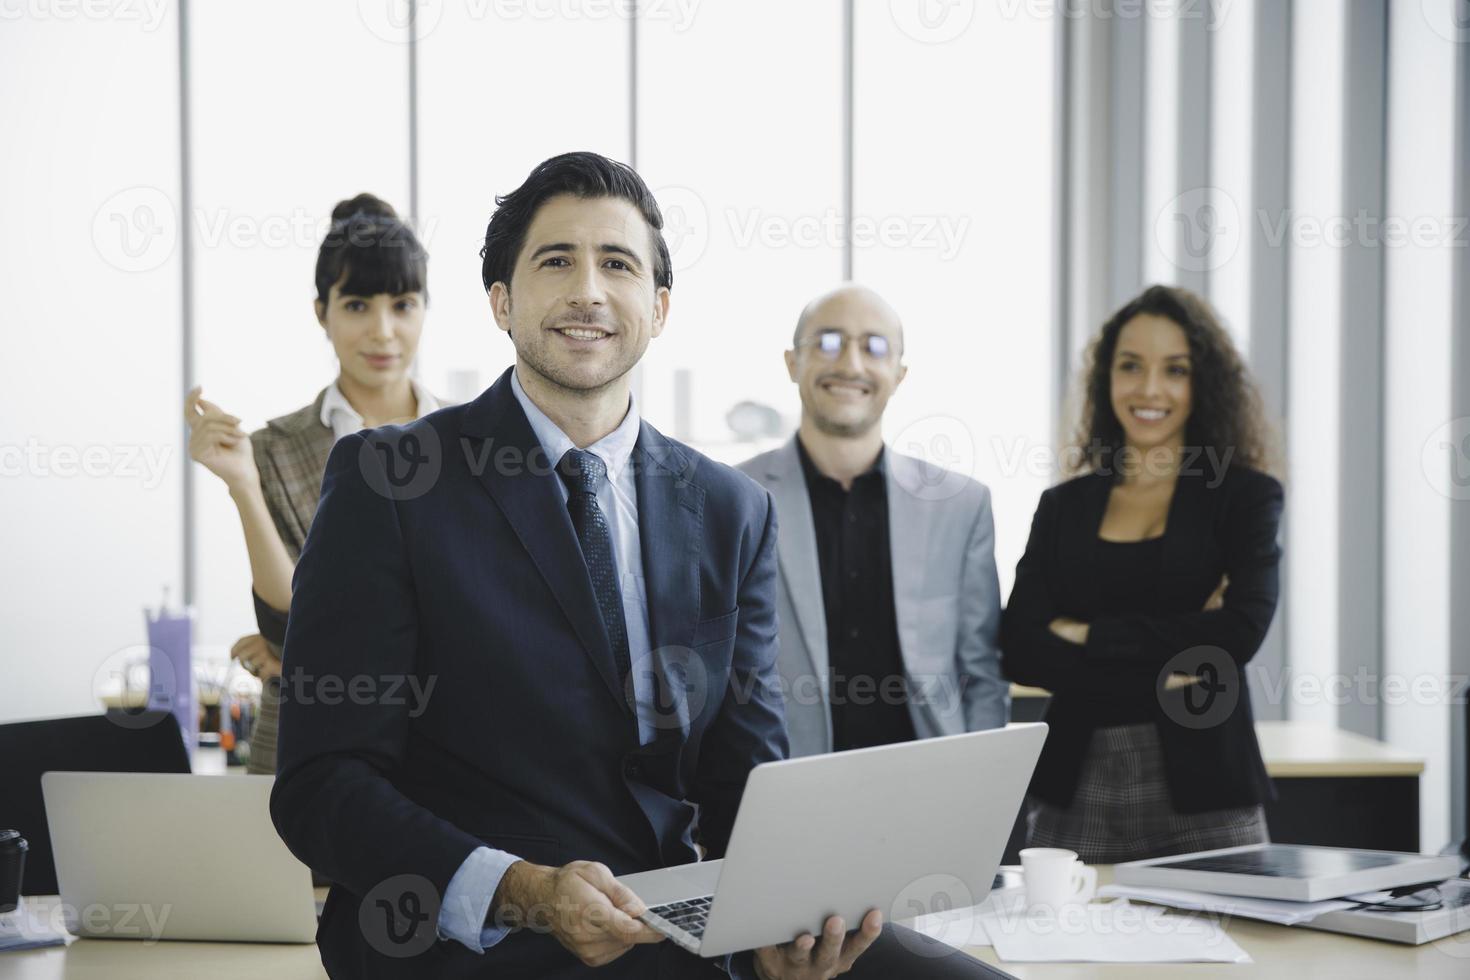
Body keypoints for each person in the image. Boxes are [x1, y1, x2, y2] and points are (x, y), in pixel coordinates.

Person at [269, 153, 1008, 979]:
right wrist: (524, 888)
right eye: (557, 260)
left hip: (676, 918)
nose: (588, 289)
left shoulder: (732, 510)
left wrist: (786, 922)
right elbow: (321, 785)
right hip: (477, 935)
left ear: (657, 309)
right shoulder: (394, 482)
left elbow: (747, 774)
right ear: (501, 303)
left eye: (617, 264)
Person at [1000, 284, 1282, 864]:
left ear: (1202, 383)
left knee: (1229, 950)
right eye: (1131, 366)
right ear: (1107, 377)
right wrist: (1173, 663)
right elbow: (1020, 646)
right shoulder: (1064, 507)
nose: (1150, 389)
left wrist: (1088, 634)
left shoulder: (1244, 498)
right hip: (1073, 789)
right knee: (1063, 954)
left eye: (1174, 370)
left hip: (1209, 796)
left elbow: (1237, 635)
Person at [184, 193, 442, 775]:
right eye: (356, 305)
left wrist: (307, 661)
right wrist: (243, 485)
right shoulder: (274, 449)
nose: (382, 332)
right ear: (321, 313)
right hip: (307, 743)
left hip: (447, 739)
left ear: (425, 309)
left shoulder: (474, 442)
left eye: (403, 305)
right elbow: (291, 623)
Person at [737, 285, 1007, 758]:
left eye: (874, 346)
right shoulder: (732, 497)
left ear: (899, 374)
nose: (851, 364)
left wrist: (986, 797)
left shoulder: (961, 505)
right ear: (791, 362)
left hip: (931, 789)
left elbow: (981, 673)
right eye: (828, 341)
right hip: (782, 788)